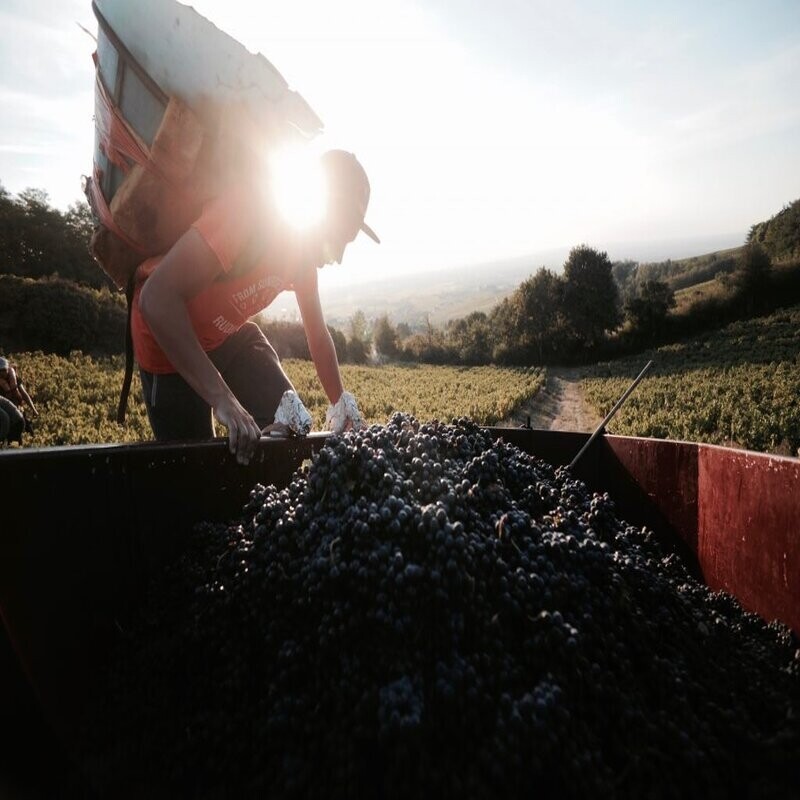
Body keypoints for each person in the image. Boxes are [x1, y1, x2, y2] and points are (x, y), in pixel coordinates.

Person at [132, 148, 379, 465]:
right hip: (168, 346)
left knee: (288, 431)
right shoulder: (247, 215)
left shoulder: (302, 261)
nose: (339, 256)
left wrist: (341, 405)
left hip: (227, 337)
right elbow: (157, 299)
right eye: (339, 237)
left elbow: (318, 336)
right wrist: (223, 399)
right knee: (196, 470)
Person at [0, 356, 38, 444]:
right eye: (0, 371)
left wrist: (34, 409)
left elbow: (24, 394)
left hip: (17, 411)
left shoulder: (14, 379)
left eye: (4, 370)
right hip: (5, 414)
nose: (3, 373)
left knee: (28, 430)